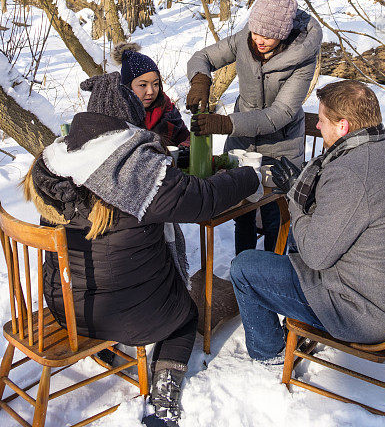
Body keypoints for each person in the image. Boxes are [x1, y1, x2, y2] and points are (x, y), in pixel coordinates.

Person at [23, 76, 260, 427]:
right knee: (184, 316)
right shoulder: (135, 170)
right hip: (127, 315)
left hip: (64, 307)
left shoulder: (54, 160)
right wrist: (249, 176)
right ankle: (163, 397)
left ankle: (103, 347)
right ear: (128, 121)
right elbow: (204, 200)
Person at [229, 80, 385, 362]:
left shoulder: (351, 173)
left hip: (363, 313)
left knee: (244, 267)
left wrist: (294, 199)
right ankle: (295, 318)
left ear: (343, 125)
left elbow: (316, 257)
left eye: (321, 121)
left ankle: (269, 352)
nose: (318, 127)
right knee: (298, 236)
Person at [185, 0, 322, 254]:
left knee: (274, 217)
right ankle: (241, 270)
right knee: (242, 212)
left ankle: (270, 275)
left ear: (283, 34)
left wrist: (225, 124)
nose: (258, 39)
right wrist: (200, 80)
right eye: (256, 31)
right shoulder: (245, 39)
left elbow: (279, 114)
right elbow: (203, 56)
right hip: (241, 145)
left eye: (267, 36)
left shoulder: (303, 56)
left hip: (280, 147)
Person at [82, 43, 189, 162]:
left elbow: (185, 137)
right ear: (128, 86)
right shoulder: (115, 113)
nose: (151, 91)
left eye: (155, 84)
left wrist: (184, 149)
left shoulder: (166, 108)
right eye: (143, 85)